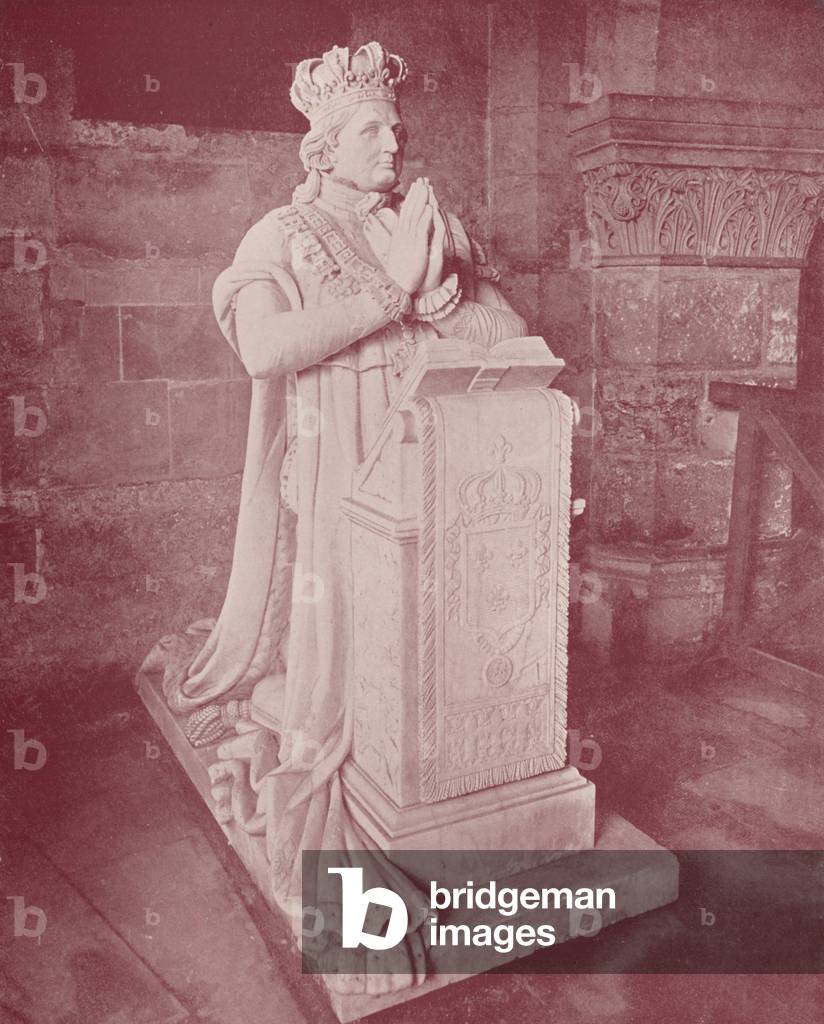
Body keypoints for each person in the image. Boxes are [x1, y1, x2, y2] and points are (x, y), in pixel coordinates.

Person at [140, 40, 528, 990]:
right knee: (347, 651)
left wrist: (446, 303)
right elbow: (266, 348)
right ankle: (341, 779)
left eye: (395, 128)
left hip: (443, 464)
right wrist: (391, 296)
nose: (393, 143)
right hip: (337, 473)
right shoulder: (280, 235)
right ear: (323, 147)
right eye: (371, 130)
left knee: (449, 638)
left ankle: (443, 801)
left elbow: (514, 331)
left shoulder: (429, 223)